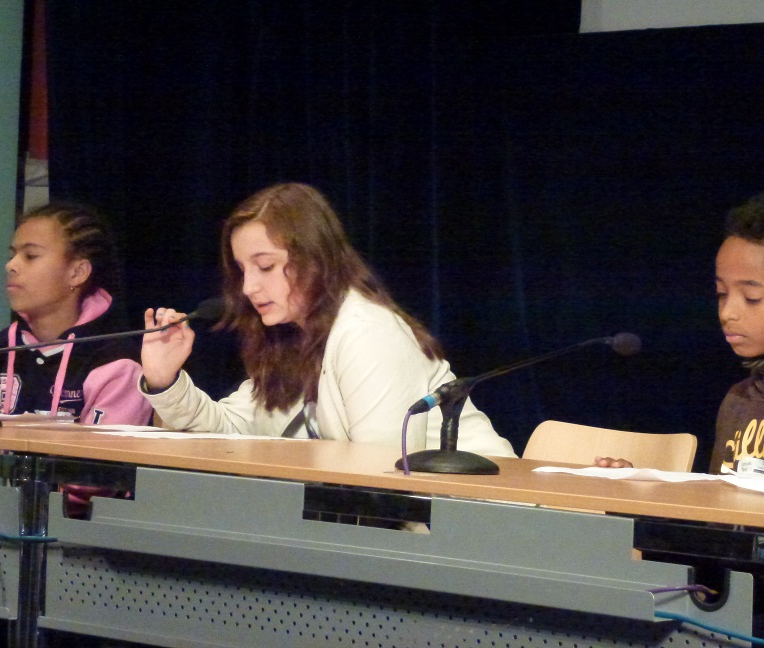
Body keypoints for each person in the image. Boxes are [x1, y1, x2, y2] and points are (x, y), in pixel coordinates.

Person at [139, 182, 516, 458]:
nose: (249, 287)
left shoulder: (367, 333)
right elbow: (232, 431)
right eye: (242, 270)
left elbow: (383, 473)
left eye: (265, 266)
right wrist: (164, 381)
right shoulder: (292, 339)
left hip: (472, 519)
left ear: (314, 259)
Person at [597, 187, 764, 486]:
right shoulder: (739, 398)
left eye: (752, 298)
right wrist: (640, 490)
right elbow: (721, 508)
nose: (727, 313)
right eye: (721, 294)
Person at [0, 203, 152, 425]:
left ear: (77, 273)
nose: (11, 265)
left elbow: (105, 447)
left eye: (31, 255)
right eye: (12, 255)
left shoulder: (115, 363)